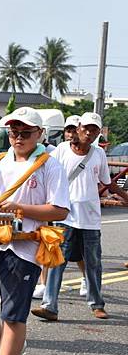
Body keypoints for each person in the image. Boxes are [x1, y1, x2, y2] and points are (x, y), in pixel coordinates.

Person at [0, 107, 70, 355]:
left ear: (40, 134)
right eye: (14, 132)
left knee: (13, 316)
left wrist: (18, 208)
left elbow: (59, 210)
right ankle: (11, 348)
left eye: (26, 132)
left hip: (24, 248)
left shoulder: (48, 164)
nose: (19, 138)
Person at [32, 112, 128, 321]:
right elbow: (47, 176)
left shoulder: (99, 154)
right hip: (65, 216)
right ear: (78, 129)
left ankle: (97, 304)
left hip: (90, 218)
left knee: (93, 262)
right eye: (86, 128)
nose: (89, 133)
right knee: (58, 261)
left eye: (94, 130)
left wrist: (124, 196)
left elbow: (107, 182)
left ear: (98, 133)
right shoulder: (62, 151)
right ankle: (50, 306)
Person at [32, 114, 85, 299]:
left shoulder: (92, 152)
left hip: (77, 211)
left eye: (74, 129)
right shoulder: (58, 150)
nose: (71, 133)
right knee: (49, 243)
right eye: (68, 130)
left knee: (77, 253)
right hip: (55, 206)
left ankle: (86, 279)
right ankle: (45, 285)